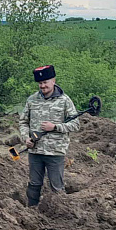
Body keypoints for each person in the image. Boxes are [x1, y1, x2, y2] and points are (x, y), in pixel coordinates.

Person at [19, 65, 80, 207]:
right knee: (34, 184)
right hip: (35, 150)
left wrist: (55, 127)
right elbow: (23, 122)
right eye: (40, 83)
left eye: (45, 82)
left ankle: (59, 216)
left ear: (53, 81)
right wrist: (25, 138)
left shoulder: (64, 100)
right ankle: (31, 211)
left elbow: (75, 124)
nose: (42, 86)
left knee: (56, 187)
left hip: (55, 151)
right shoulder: (32, 100)